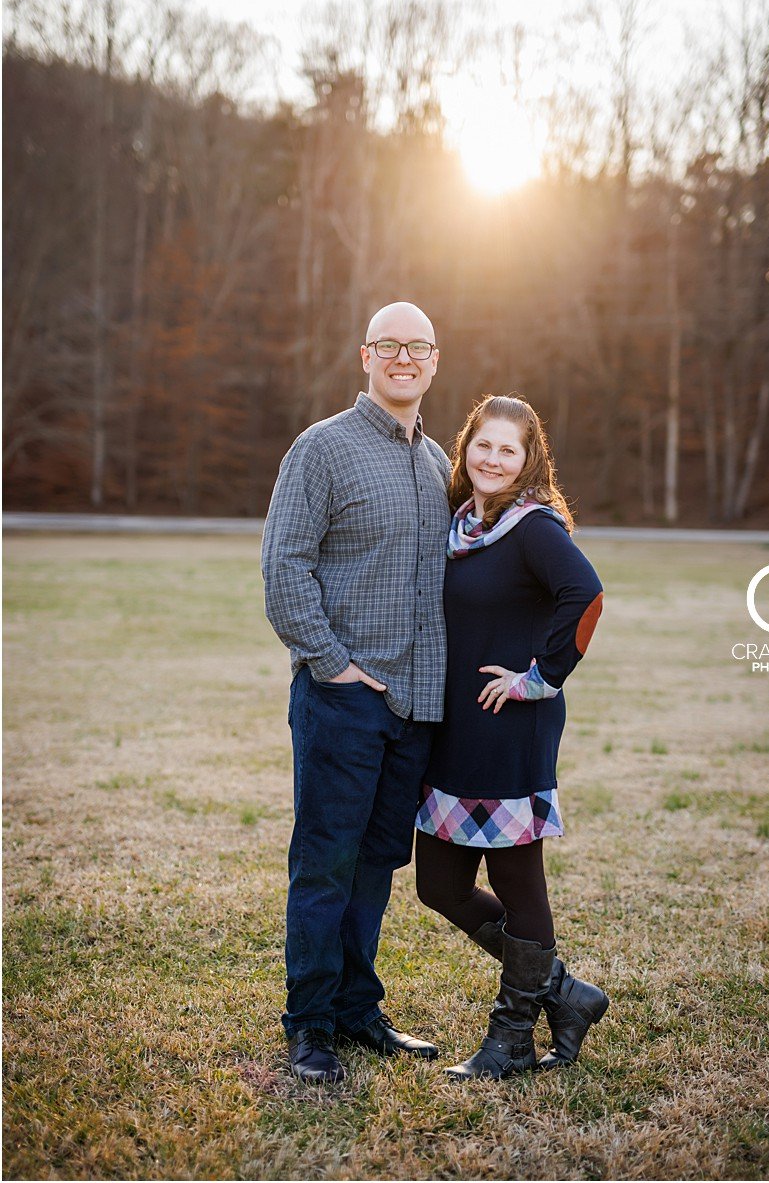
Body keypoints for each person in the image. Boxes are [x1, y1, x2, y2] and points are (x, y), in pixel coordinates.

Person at [262, 301, 450, 1084]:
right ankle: (309, 1023)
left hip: (413, 707)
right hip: (343, 698)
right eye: (390, 345)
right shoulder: (322, 450)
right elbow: (284, 567)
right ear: (365, 356)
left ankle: (354, 1007)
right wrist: (332, 664)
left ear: (435, 362)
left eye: (420, 347)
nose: (404, 358)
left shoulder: (443, 462)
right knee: (326, 861)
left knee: (376, 861)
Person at [413, 394, 607, 1081]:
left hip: (508, 727)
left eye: (508, 449)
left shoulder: (531, 527)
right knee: (437, 882)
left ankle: (514, 1036)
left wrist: (540, 677)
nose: (492, 458)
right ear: (466, 448)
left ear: (529, 462)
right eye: (483, 445)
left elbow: (585, 594)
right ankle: (565, 992)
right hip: (455, 728)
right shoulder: (464, 522)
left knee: (516, 880)